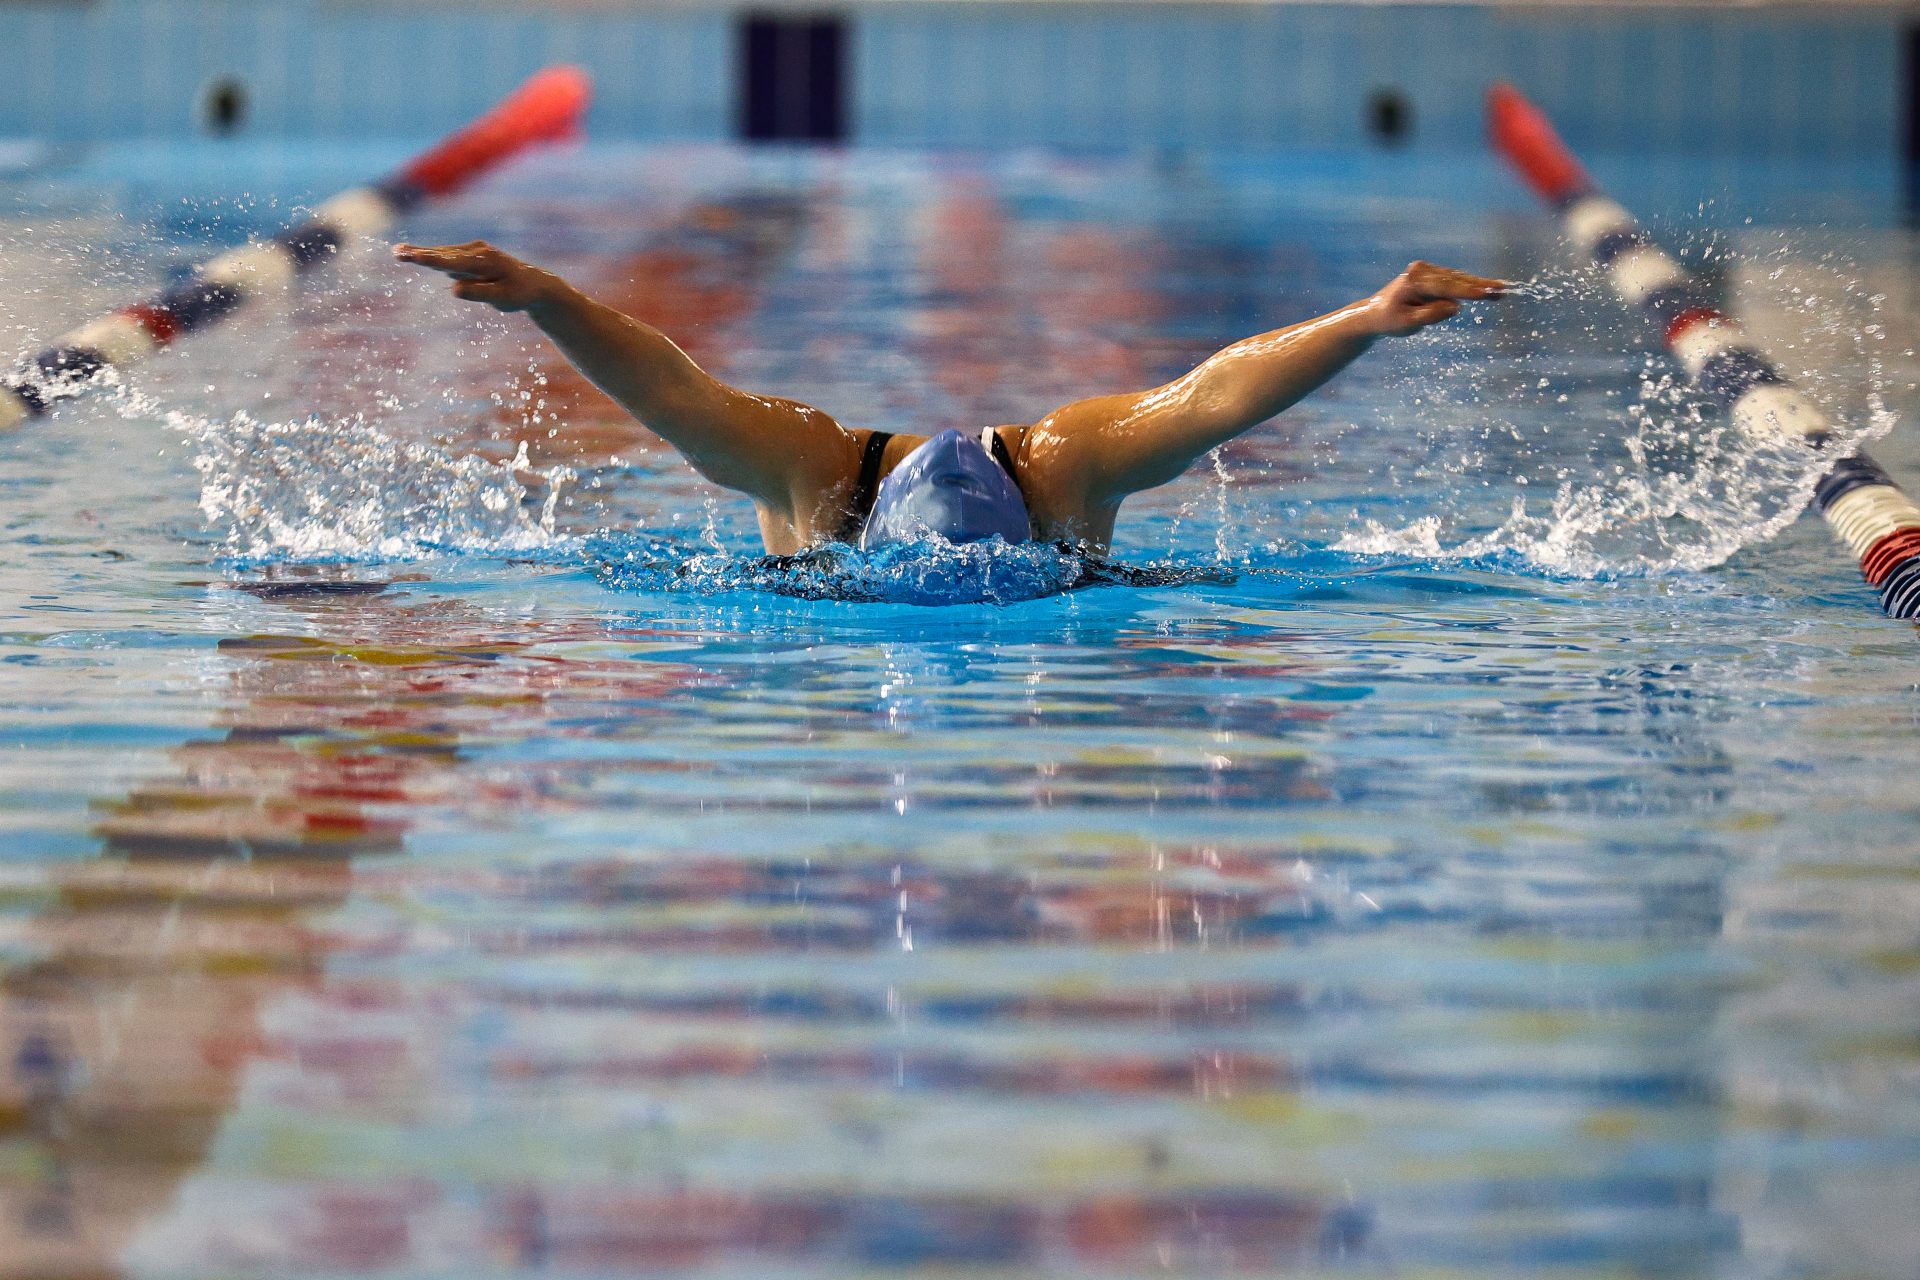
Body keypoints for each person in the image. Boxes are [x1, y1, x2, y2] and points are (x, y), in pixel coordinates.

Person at [394, 241, 1502, 555]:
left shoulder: (1059, 464)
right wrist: (546, 296)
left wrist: (1362, 319)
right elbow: (669, 385)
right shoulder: (817, 470)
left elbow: (1212, 395)